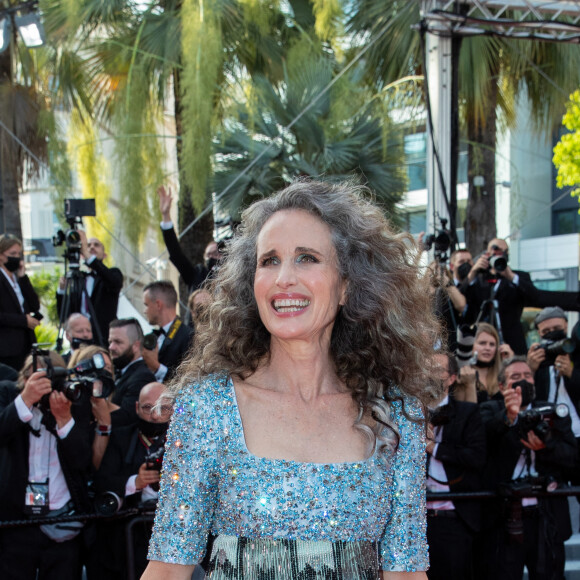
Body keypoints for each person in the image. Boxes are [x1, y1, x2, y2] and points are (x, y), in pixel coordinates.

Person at [143, 180, 442, 579]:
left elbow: (406, 573)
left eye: (306, 258)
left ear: (346, 287)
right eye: (269, 261)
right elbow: (167, 570)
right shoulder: (208, 405)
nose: (284, 278)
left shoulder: (395, 414)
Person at [477, 357, 576, 580]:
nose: (523, 381)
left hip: (546, 515)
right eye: (515, 377)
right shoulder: (489, 409)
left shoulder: (552, 412)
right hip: (503, 517)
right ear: (502, 386)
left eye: (527, 376)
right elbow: (484, 443)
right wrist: (509, 418)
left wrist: (546, 446)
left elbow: (573, 460)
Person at [0, 351, 92, 580]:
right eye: (36, 377)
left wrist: (64, 419)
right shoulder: (8, 392)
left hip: (61, 519)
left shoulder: (74, 399)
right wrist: (25, 400)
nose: (42, 384)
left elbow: (83, 461)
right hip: (15, 518)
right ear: (24, 377)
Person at [91, 382, 172, 580]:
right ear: (136, 408)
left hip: (171, 540)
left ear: (173, 409)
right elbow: (101, 482)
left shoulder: (187, 441)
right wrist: (135, 482)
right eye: (147, 408)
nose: (155, 415)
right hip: (125, 541)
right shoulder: (121, 438)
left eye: (163, 408)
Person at [426, 353, 485, 580]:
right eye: (426, 369)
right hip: (415, 520)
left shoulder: (467, 413)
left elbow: (477, 457)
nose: (429, 375)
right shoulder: (407, 412)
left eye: (436, 370)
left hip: (454, 519)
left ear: (452, 378)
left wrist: (434, 447)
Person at [527, 306, 580, 481]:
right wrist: (530, 370)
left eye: (557, 329)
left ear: (566, 325)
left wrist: (572, 374)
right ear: (539, 333)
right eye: (546, 331)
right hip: (551, 439)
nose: (552, 334)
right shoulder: (536, 358)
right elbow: (526, 398)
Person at [461, 238, 538, 355]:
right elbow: (459, 301)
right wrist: (473, 272)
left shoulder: (519, 277)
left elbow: (534, 296)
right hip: (482, 344)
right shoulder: (477, 279)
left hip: (512, 343)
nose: (500, 254)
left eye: (504, 251)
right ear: (487, 254)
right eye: (496, 250)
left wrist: (510, 276)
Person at [57, 231, 123, 347]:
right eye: (88, 245)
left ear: (104, 255)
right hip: (80, 342)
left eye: (96, 245)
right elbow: (65, 315)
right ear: (81, 255)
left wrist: (89, 257)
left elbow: (113, 282)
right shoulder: (79, 278)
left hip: (103, 338)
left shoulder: (112, 274)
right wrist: (62, 290)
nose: (92, 247)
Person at [158, 185, 219, 292]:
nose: (213, 257)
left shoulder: (233, 276)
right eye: (209, 255)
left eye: (216, 253)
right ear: (204, 258)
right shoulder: (196, 275)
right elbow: (176, 254)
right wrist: (166, 215)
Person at [0, 233, 41, 371]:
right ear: (1, 255)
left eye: (19, 253)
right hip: (7, 349)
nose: (16, 258)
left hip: (26, 345)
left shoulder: (17, 279)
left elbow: (34, 305)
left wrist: (23, 277)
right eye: (12, 253)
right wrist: (24, 321)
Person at [142, 281, 193, 382]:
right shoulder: (152, 336)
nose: (144, 310)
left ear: (158, 305)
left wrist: (157, 368)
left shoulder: (189, 336)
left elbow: (190, 379)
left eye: (146, 305)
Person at [108, 318, 156, 427]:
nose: (111, 347)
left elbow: (125, 418)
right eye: (110, 342)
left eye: (117, 342)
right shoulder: (119, 371)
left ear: (136, 346)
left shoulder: (143, 377)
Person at [455, 322, 514, 404]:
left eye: (492, 344)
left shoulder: (502, 375)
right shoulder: (462, 374)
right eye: (482, 343)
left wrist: (511, 364)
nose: (487, 348)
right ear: (470, 344)